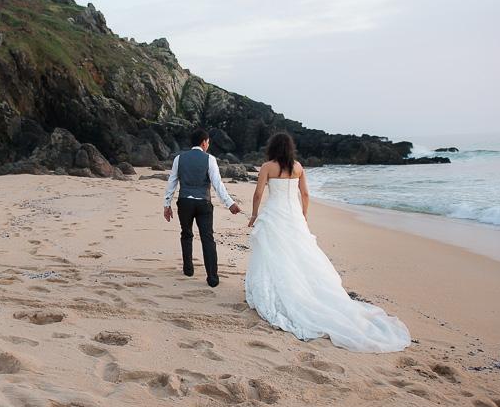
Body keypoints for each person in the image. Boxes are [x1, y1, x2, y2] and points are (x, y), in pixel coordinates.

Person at [245, 132, 411, 352]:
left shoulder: (267, 167)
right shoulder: (298, 167)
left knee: (274, 252)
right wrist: (303, 215)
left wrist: (255, 215)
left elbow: (258, 194)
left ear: (273, 147)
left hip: (275, 214)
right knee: (298, 253)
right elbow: (305, 194)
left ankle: (274, 289)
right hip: (293, 215)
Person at [163, 128, 241, 287]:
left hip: (184, 202)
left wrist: (167, 205)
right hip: (203, 203)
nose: (208, 145)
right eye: (208, 142)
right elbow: (218, 184)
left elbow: (172, 182)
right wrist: (229, 203)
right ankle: (212, 277)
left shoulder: (179, 158)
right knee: (207, 238)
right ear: (204, 142)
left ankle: (188, 269)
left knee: (186, 234)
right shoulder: (210, 159)